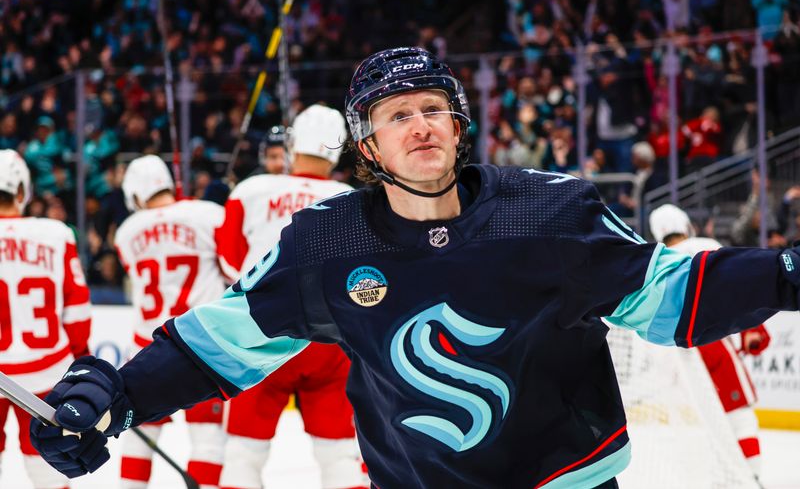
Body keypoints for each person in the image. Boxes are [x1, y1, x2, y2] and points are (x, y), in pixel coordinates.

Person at [30, 47, 800, 489]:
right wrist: (118, 395)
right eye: (397, 115)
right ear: (367, 147)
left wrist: (785, 274)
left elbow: (671, 298)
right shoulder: (321, 245)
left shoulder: (550, 211)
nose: (419, 123)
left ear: (459, 128)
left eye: (434, 108)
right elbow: (217, 343)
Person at [216, 105, 366, 489]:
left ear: (293, 142)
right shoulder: (351, 199)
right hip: (329, 341)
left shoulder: (250, 191)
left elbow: (231, 262)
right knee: (338, 454)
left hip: (258, 333)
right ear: (338, 150)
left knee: (243, 454)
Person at [112, 155, 228, 489]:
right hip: (202, 346)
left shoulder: (126, 232)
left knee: (138, 434)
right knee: (207, 438)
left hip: (147, 349)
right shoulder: (209, 214)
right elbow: (229, 267)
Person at [649, 204, 771, 478]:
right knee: (740, 416)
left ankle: (723, 476)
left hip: (676, 352)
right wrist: (756, 329)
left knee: (710, 423)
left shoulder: (657, 259)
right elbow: (737, 285)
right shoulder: (705, 245)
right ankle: (752, 478)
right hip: (714, 344)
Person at [0, 149, 91, 489]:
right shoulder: (56, 234)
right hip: (44, 371)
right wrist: (81, 364)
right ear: (22, 192)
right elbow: (78, 312)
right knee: (47, 469)